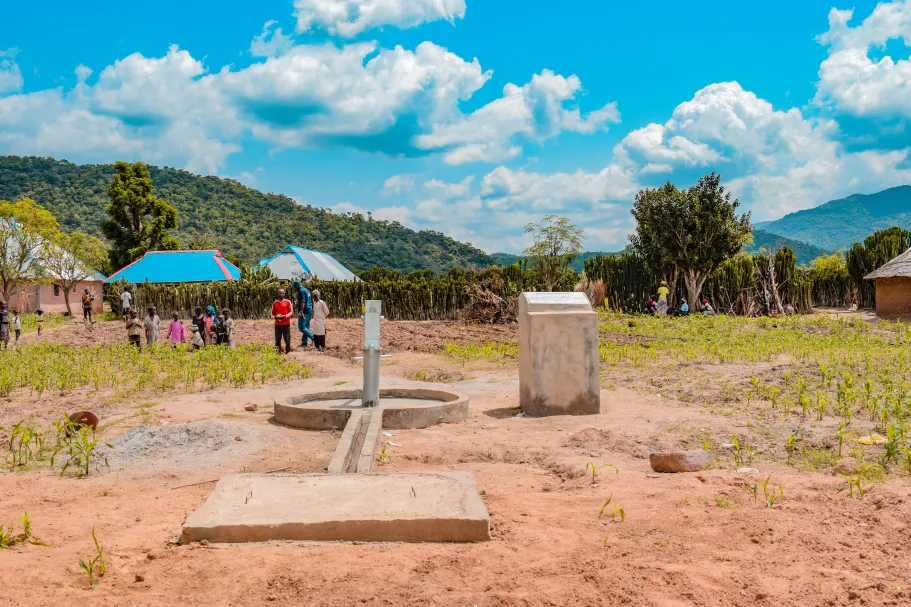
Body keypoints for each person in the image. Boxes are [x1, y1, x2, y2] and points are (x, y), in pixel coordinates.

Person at [292, 280, 314, 348]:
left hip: (305, 311)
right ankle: (304, 343)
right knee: (306, 327)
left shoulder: (301, 291)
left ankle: (314, 337)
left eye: (295, 287)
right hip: (309, 310)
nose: (295, 289)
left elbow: (302, 301)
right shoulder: (306, 290)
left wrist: (301, 311)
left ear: (298, 286)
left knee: (301, 327)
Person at [271, 288, 293, 354]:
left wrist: (285, 316)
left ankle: (288, 352)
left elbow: (291, 312)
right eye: (280, 293)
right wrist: (276, 317)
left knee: (287, 339)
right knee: (277, 339)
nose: (281, 294)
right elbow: (272, 314)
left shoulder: (288, 302)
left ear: (284, 294)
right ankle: (278, 352)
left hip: (286, 324)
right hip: (278, 325)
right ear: (277, 294)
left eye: (283, 293)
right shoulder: (275, 303)